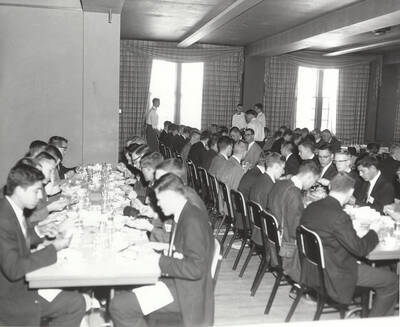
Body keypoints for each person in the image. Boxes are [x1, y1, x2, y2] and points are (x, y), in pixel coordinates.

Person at [110, 174, 214, 327]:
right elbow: (185, 248)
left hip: (185, 292)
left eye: (159, 199)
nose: (157, 204)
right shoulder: (185, 212)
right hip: (179, 283)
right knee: (125, 292)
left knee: (119, 306)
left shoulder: (191, 220)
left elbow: (195, 268)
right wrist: (159, 247)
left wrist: (157, 260)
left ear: (171, 196)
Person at [300, 173, 398, 316]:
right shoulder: (339, 216)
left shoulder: (312, 207)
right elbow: (360, 249)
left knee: (384, 271)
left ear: (331, 187)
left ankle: (366, 307)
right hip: (336, 274)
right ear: (351, 192)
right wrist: (374, 231)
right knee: (392, 280)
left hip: (314, 271)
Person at [0, 163, 85, 326]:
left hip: (17, 288)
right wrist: (54, 249)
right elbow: (14, 269)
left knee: (75, 299)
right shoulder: (3, 219)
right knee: (74, 303)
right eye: (36, 191)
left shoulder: (12, 208)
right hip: (11, 298)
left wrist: (42, 234)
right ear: (19, 190)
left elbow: (20, 235)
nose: (40, 197)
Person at [267, 160, 320, 282]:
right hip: (287, 250)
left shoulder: (280, 183)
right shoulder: (294, 193)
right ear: (308, 176)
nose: (313, 185)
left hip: (274, 243)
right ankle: (309, 288)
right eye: (314, 181)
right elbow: (294, 231)